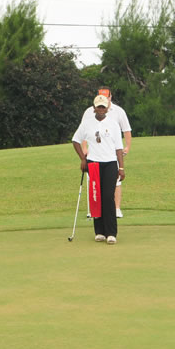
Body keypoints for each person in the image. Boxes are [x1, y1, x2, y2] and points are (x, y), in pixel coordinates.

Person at [72, 95, 125, 244]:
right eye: (98, 106)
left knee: (108, 197)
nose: (101, 109)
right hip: (93, 163)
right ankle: (99, 231)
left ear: (107, 108)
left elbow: (119, 148)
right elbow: (75, 140)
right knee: (96, 196)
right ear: (94, 108)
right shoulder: (86, 123)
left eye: (103, 106)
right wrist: (83, 158)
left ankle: (111, 232)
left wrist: (121, 167)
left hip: (110, 163)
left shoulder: (113, 124)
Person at [81, 87, 132, 218]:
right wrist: (84, 149)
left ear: (110, 97)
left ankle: (116, 209)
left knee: (115, 182)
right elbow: (83, 133)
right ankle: (93, 210)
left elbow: (126, 130)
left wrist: (127, 146)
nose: (104, 99)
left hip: (112, 152)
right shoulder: (89, 112)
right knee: (94, 184)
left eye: (107, 97)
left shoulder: (119, 111)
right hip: (94, 154)